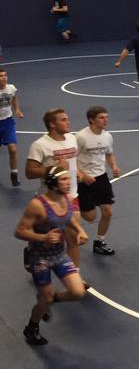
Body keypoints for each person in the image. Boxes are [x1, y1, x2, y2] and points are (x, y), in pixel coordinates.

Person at [16, 165, 89, 345]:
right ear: (52, 183)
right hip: (39, 257)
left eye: (68, 178)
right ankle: (32, 327)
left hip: (59, 253)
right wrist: (43, 237)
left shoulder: (66, 198)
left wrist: (80, 230)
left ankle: (52, 299)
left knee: (78, 292)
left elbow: (69, 216)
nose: (69, 182)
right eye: (64, 179)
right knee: (45, 298)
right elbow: (19, 231)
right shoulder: (37, 205)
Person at [26, 109, 81, 269]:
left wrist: (80, 173)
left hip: (71, 197)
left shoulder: (72, 138)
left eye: (67, 119)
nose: (68, 122)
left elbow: (74, 162)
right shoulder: (40, 145)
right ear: (52, 124)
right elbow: (30, 172)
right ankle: (31, 250)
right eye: (63, 120)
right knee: (49, 241)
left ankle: (75, 275)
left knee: (73, 238)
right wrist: (54, 167)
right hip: (47, 201)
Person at [76, 106, 120, 255]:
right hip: (83, 180)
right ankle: (73, 209)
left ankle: (100, 241)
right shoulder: (81, 137)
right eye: (101, 117)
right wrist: (82, 175)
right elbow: (71, 159)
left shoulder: (107, 136)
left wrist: (114, 167)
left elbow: (109, 154)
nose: (105, 120)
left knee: (107, 212)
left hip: (101, 177)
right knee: (90, 217)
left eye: (106, 117)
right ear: (91, 120)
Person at [0, 68, 25, 186]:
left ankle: (14, 173)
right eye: (1, 76)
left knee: (13, 150)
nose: (4, 77)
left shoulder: (11, 88)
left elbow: (14, 97)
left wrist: (17, 109)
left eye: (5, 75)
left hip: (8, 122)